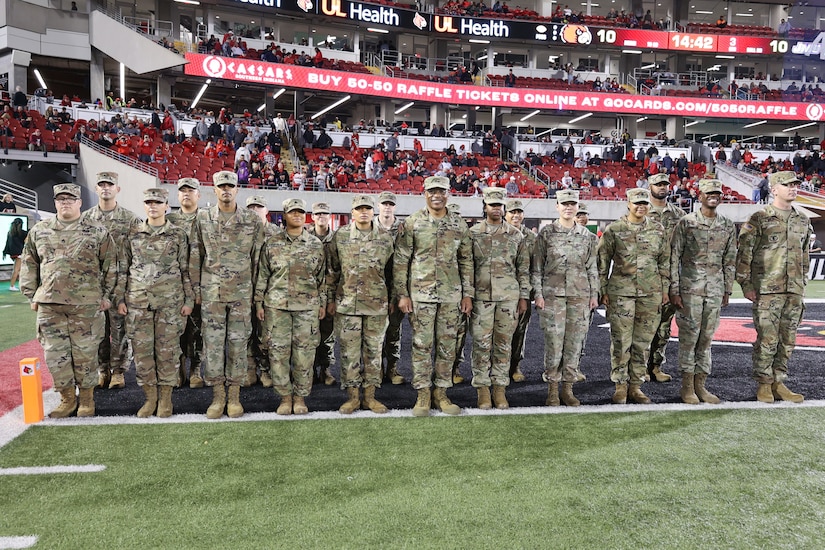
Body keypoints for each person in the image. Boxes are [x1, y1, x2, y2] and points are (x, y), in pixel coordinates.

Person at [20, 183, 116, 418]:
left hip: (87, 305)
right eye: (61, 199)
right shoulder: (39, 231)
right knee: (55, 355)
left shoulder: (97, 231)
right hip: (50, 305)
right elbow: (29, 263)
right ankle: (67, 399)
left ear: (80, 202)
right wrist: (32, 295)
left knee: (85, 354)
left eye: (70, 199)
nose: (66, 202)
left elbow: (112, 266)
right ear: (54, 203)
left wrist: (107, 297)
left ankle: (86, 400)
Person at [394, 175, 474, 416]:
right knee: (421, 345)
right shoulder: (412, 223)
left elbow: (466, 260)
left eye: (441, 191)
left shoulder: (459, 224)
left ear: (448, 193)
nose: (436, 195)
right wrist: (402, 294)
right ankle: (422, 394)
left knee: (447, 346)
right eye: (432, 191)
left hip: (451, 296)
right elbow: (401, 260)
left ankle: (441, 392)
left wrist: (467, 293)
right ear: (425, 193)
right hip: (421, 295)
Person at [191, 171, 265, 419]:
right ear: (214, 189)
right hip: (212, 293)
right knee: (212, 345)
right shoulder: (202, 219)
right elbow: (196, 256)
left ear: (237, 190)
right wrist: (196, 290)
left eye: (230, 186)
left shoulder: (251, 221)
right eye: (221, 186)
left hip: (241, 293)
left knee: (237, 345)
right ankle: (217, 397)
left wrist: (256, 295)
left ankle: (234, 397)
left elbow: (257, 260)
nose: (225, 190)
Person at [735, 171, 811, 403]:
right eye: (787, 184)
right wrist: (746, 284)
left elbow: (805, 253)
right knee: (767, 339)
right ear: (774, 188)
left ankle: (779, 381)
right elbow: (744, 253)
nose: (793, 188)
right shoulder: (759, 218)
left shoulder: (802, 219)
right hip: (767, 289)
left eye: (796, 184)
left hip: (794, 289)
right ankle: (764, 384)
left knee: (788, 339)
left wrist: (803, 281)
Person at [119, 189, 193, 418]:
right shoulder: (132, 235)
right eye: (148, 202)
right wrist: (120, 299)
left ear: (166, 206)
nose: (152, 206)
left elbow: (186, 269)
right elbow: (123, 270)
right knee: (142, 353)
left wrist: (189, 299)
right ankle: (150, 398)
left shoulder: (178, 235)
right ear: (144, 206)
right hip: (138, 303)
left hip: (170, 303)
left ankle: (166, 400)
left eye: (157, 202)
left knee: (168, 352)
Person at [597, 188, 670, 405]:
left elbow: (665, 262)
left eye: (645, 203)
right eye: (637, 202)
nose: (641, 206)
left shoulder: (658, 230)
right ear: (628, 203)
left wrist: (665, 289)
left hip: (650, 294)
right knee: (621, 342)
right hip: (621, 294)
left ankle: (636, 386)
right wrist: (603, 290)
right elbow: (602, 262)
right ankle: (620, 385)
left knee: (642, 343)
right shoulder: (615, 230)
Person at [669, 177, 737, 404]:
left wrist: (727, 289)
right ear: (700, 197)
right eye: (709, 193)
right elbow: (674, 257)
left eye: (717, 193)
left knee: (707, 339)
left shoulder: (727, 225)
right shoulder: (686, 223)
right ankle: (687, 387)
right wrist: (674, 290)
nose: (714, 196)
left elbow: (729, 260)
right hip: (690, 290)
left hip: (715, 290)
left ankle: (701, 386)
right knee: (689, 339)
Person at [255, 198, 325, 415]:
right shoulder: (272, 244)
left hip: (307, 308)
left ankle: (300, 397)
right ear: (284, 216)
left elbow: (322, 278)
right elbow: (263, 275)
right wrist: (259, 302)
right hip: (277, 308)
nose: (297, 216)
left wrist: (322, 303)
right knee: (278, 353)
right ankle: (285, 397)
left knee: (304, 356)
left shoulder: (315, 244)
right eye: (292, 212)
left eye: (300, 212)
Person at [327, 195, 395, 414]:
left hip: (376, 305)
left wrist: (392, 298)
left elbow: (393, 271)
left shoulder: (385, 237)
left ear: (373, 211)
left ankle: (370, 397)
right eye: (359, 208)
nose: (364, 211)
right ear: (352, 212)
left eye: (367, 208)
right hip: (347, 306)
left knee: (373, 352)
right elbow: (332, 271)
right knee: (349, 353)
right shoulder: (341, 236)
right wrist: (329, 299)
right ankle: (353, 397)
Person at [532, 190, 598, 407]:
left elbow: (592, 268)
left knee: (573, 345)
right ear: (557, 206)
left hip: (579, 297)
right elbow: (537, 268)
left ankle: (568, 389)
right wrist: (538, 294)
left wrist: (593, 294)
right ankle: (552, 389)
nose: (568, 207)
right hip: (553, 297)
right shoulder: (547, 234)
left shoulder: (587, 236)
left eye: (572, 204)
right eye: (564, 204)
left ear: (577, 207)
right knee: (554, 344)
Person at [468, 189, 530, 409]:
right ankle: (483, 389)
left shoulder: (516, 235)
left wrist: (524, 297)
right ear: (484, 206)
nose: (496, 208)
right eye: (491, 204)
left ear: (503, 208)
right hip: (481, 297)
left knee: (503, 344)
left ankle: (500, 388)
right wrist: (468, 294)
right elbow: (467, 267)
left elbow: (523, 269)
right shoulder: (473, 233)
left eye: (499, 205)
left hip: (508, 298)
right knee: (481, 344)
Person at [80, 171, 140, 390]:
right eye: (101, 184)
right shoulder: (85, 219)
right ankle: (102, 369)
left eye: (110, 185)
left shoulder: (130, 219)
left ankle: (118, 371)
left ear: (118, 189)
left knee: (120, 330)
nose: (106, 188)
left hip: (121, 284)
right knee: (97, 331)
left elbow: (138, 254)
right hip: (94, 285)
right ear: (96, 189)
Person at [645, 172, 685, 383]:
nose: (662, 187)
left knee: (664, 326)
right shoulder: (641, 211)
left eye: (665, 184)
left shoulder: (678, 215)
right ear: (649, 186)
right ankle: (640, 367)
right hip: (647, 277)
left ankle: (656, 366)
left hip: (671, 276)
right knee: (644, 325)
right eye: (658, 184)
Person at [166, 178, 204, 388]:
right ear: (178, 195)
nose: (187, 194)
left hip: (201, 282)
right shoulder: (169, 220)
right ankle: (179, 367)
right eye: (183, 191)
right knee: (176, 329)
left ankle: (196, 369)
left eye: (191, 190)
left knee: (199, 328)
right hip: (175, 284)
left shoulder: (207, 219)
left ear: (199, 194)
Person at [375, 191, 405, 385]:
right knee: (374, 332)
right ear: (379, 206)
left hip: (396, 283)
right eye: (384, 203)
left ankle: (392, 368)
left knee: (394, 330)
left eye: (390, 204)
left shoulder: (402, 229)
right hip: (374, 286)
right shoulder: (370, 226)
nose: (387, 207)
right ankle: (375, 369)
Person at [504, 199, 536, 382]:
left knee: (520, 331)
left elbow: (535, 266)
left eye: (519, 212)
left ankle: (515, 365)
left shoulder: (530, 237)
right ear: (505, 213)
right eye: (512, 212)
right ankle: (497, 367)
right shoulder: (499, 233)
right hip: (500, 292)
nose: (515, 215)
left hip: (522, 292)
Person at [245, 195, 274, 388]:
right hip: (243, 291)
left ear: (266, 211)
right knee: (245, 332)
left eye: (259, 207)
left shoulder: (277, 234)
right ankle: (249, 368)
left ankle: (265, 369)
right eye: (251, 207)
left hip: (269, 292)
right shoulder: (240, 232)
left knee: (266, 334)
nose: (255, 210)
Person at [308, 202, 337, 386]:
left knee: (327, 333)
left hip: (330, 292)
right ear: (312, 217)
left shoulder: (337, 239)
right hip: (310, 294)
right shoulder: (306, 238)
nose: (321, 217)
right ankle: (309, 369)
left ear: (329, 216)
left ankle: (325, 369)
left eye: (324, 214)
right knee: (309, 333)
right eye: (318, 214)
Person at [3, 217, 26, 291]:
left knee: (19, 270)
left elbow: (7, 244)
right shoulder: (22, 233)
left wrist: (4, 252)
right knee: (16, 270)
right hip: (19, 254)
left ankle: (19, 285)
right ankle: (12, 286)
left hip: (13, 254)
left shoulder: (10, 233)